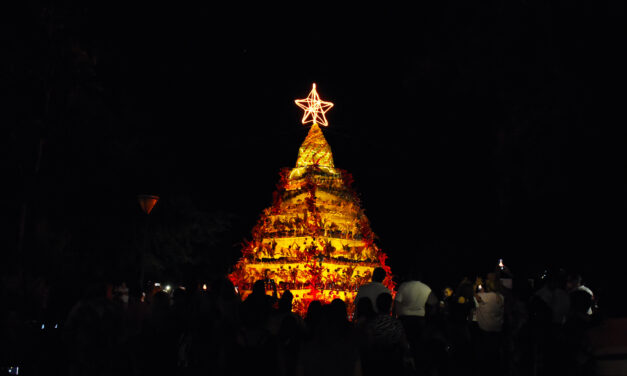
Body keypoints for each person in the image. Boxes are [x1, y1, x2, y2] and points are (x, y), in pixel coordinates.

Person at [393, 271, 438, 372]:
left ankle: (404, 367)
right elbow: (434, 302)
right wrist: (429, 315)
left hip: (404, 318)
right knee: (418, 343)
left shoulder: (404, 286)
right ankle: (418, 366)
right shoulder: (425, 288)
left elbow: (396, 302)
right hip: (419, 319)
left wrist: (396, 316)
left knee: (404, 343)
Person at [473, 275, 505, 376]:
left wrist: (476, 285)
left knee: (485, 360)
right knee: (495, 358)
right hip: (497, 332)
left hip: (485, 333)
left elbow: (474, 296)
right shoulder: (501, 297)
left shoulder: (484, 297)